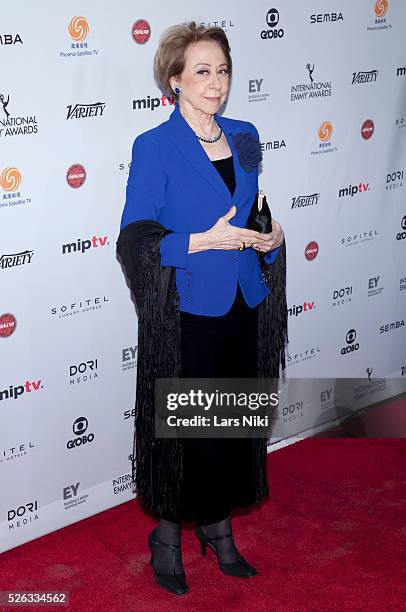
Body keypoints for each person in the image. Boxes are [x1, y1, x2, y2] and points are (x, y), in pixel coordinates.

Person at [117, 22, 286, 596]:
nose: (216, 84)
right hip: (187, 307)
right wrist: (201, 240)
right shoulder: (154, 146)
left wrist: (269, 236)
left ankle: (217, 526)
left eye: (223, 71)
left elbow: (254, 210)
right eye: (202, 72)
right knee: (185, 431)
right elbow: (135, 239)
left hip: (243, 298)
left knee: (230, 423)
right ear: (175, 80)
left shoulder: (245, 134)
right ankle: (167, 536)